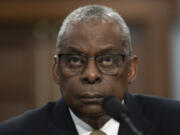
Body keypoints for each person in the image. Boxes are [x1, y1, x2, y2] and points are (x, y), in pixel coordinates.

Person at [0, 4, 180, 135]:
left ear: (131, 69)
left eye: (108, 60)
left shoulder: (173, 123)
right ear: (56, 70)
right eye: (75, 60)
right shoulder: (17, 132)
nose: (91, 74)